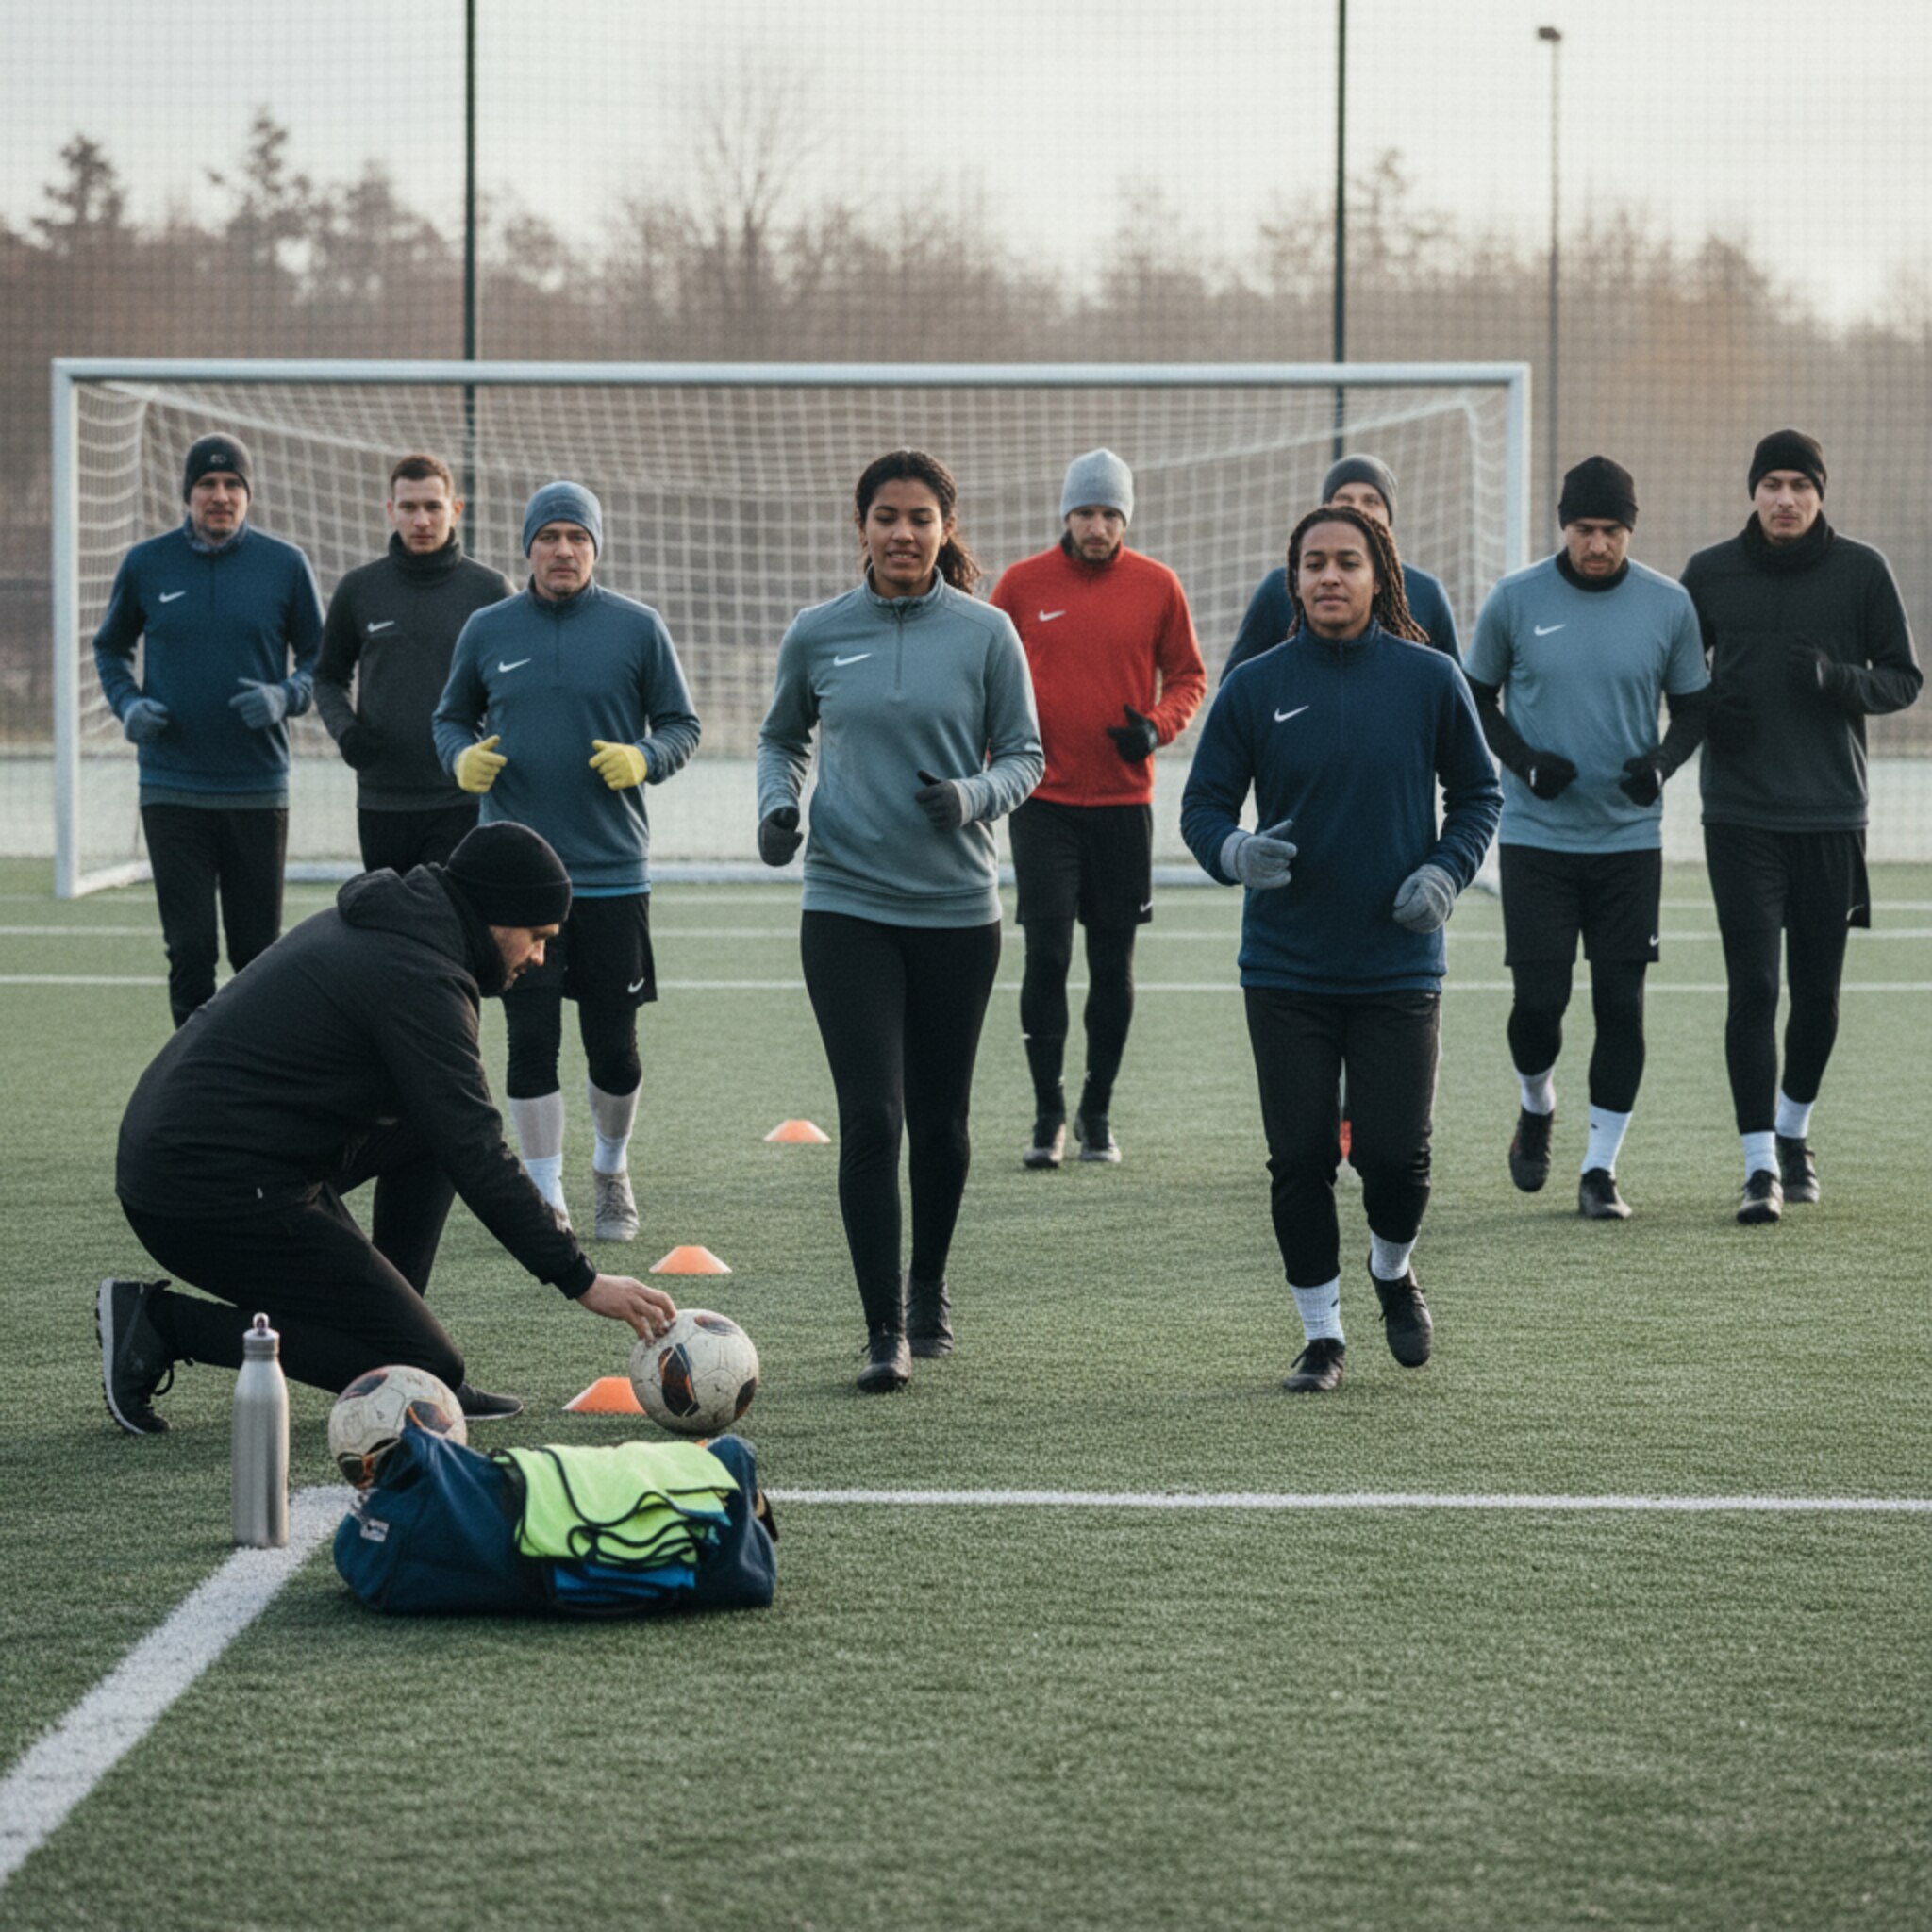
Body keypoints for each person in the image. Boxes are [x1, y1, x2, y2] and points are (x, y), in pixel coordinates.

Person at [97, 822, 677, 1436]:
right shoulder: (417, 974)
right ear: (495, 916)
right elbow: (477, 1149)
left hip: (231, 1157)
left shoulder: (407, 929)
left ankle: (403, 1340)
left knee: (429, 1131)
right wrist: (581, 1280)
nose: (538, 958)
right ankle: (159, 1323)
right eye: (536, 937)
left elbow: (453, 1132)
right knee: (424, 1364)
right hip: (199, 1189)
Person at [1180, 504, 1499, 1393]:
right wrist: (1235, 853)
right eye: (1313, 563)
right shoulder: (1254, 686)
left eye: (1347, 562)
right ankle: (1321, 1336)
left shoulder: (1431, 679)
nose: (1329, 577)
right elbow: (1203, 807)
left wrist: (1443, 875)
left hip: (1400, 967)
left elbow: (1479, 797)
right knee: (1301, 1158)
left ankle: (1392, 1271)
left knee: (1396, 1158)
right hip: (1286, 968)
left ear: (1379, 575)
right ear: (1294, 580)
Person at [757, 448, 1043, 1392]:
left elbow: (1028, 756)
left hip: (958, 913)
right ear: (861, 526)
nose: (902, 533)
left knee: (941, 1120)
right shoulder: (817, 631)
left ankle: (928, 1284)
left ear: (944, 528)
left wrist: (971, 796)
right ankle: (883, 1326)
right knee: (872, 1116)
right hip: (845, 906)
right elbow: (780, 735)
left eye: (920, 517)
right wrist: (777, 804)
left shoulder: (987, 633)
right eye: (885, 515)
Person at [432, 482, 701, 1244]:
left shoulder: (637, 629)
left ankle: (611, 1173)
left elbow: (683, 724)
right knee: (531, 1042)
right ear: (527, 548)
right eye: (548, 537)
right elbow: (449, 717)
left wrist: (644, 757)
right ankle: (546, 1193)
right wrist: (459, 759)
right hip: (512, 883)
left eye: (576, 538)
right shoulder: (487, 629)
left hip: (613, 872)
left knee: (615, 1047)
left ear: (595, 547)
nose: (562, 550)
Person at [1462, 457, 1711, 1219]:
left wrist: (1662, 766)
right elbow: (1475, 697)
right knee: (1539, 1002)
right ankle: (1537, 1104)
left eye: (1609, 531)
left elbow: (1696, 708)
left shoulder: (1669, 606)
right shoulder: (1515, 600)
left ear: (1630, 530)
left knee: (1620, 1005)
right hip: (1537, 839)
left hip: (1628, 843)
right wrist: (1525, 762)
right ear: (1562, 526)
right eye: (1582, 529)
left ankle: (1600, 1169)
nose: (1595, 545)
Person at [1682, 430, 1921, 1224]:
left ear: (1820, 492)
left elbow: (1903, 679)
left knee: (1817, 998)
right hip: (1739, 814)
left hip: (1831, 815)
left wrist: (1835, 680)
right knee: (1754, 987)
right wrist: (1713, 711)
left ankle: (1794, 1134)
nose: (1785, 498)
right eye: (1772, 484)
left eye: (1799, 485)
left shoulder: (1862, 572)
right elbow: (1676, 678)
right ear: (1753, 491)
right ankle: (1758, 1167)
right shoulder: (1710, 574)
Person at [989, 449, 1206, 1168]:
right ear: (1066, 514)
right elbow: (984, 673)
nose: (1097, 526)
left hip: (1122, 805)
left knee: (1112, 964)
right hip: (1041, 801)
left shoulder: (1158, 586)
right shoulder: (1021, 586)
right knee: (1047, 955)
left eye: (1111, 514)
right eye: (1086, 512)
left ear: (1125, 520)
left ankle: (1096, 1111)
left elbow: (1188, 676)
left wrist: (1155, 725)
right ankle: (1047, 1114)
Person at [92, 431, 325, 1025]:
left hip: (256, 787)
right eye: (207, 485)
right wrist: (129, 706)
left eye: (231, 485)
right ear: (188, 493)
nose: (220, 496)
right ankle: (190, 1086)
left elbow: (321, 660)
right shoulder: (148, 563)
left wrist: (285, 695)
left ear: (248, 494)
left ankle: (254, 1077)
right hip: (172, 788)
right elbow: (111, 648)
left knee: (256, 956)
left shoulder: (285, 565)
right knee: (190, 951)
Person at [315, 452, 515, 874]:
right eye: (408, 507)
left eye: (433, 506)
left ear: (456, 510)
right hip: (382, 798)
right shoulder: (359, 589)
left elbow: (516, 684)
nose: (421, 520)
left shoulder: (490, 591)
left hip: (462, 798)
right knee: (391, 929)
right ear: (391, 511)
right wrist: (347, 733)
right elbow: (327, 677)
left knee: (453, 926)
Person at [1223, 453, 1461, 680]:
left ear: (1389, 518)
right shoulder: (1278, 588)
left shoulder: (1428, 593)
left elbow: (1455, 694)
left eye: (1372, 501)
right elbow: (1237, 685)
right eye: (1344, 500)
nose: (1357, 509)